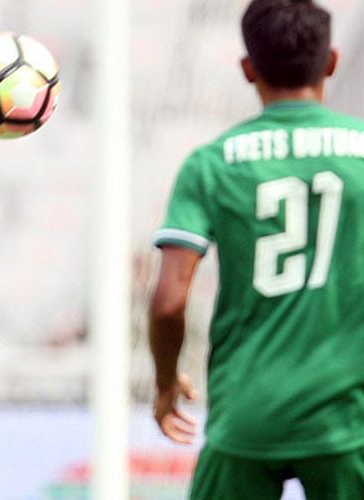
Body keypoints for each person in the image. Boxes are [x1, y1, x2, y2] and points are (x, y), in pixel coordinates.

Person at [149, 0, 364, 498]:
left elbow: (168, 301)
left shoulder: (212, 164)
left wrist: (164, 383)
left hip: (246, 415)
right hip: (347, 417)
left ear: (248, 69)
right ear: (330, 62)